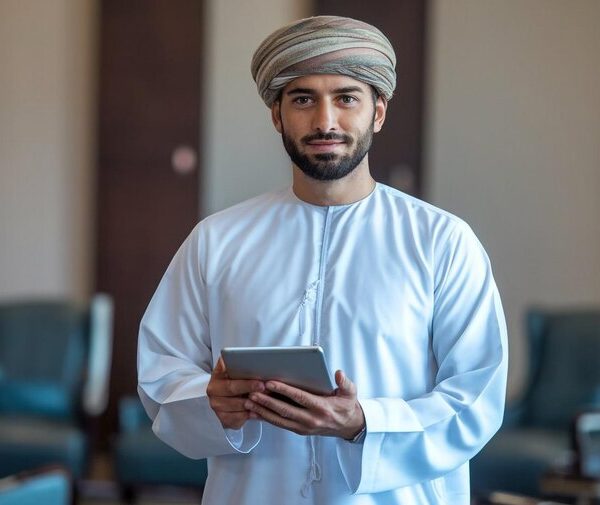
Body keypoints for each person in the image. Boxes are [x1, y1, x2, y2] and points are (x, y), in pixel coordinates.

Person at [137, 15, 508, 505]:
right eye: (303, 99)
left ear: (378, 111)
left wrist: (364, 424)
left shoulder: (441, 241)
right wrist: (212, 403)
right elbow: (163, 372)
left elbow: (476, 397)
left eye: (346, 98)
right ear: (277, 114)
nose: (324, 121)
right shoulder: (218, 240)